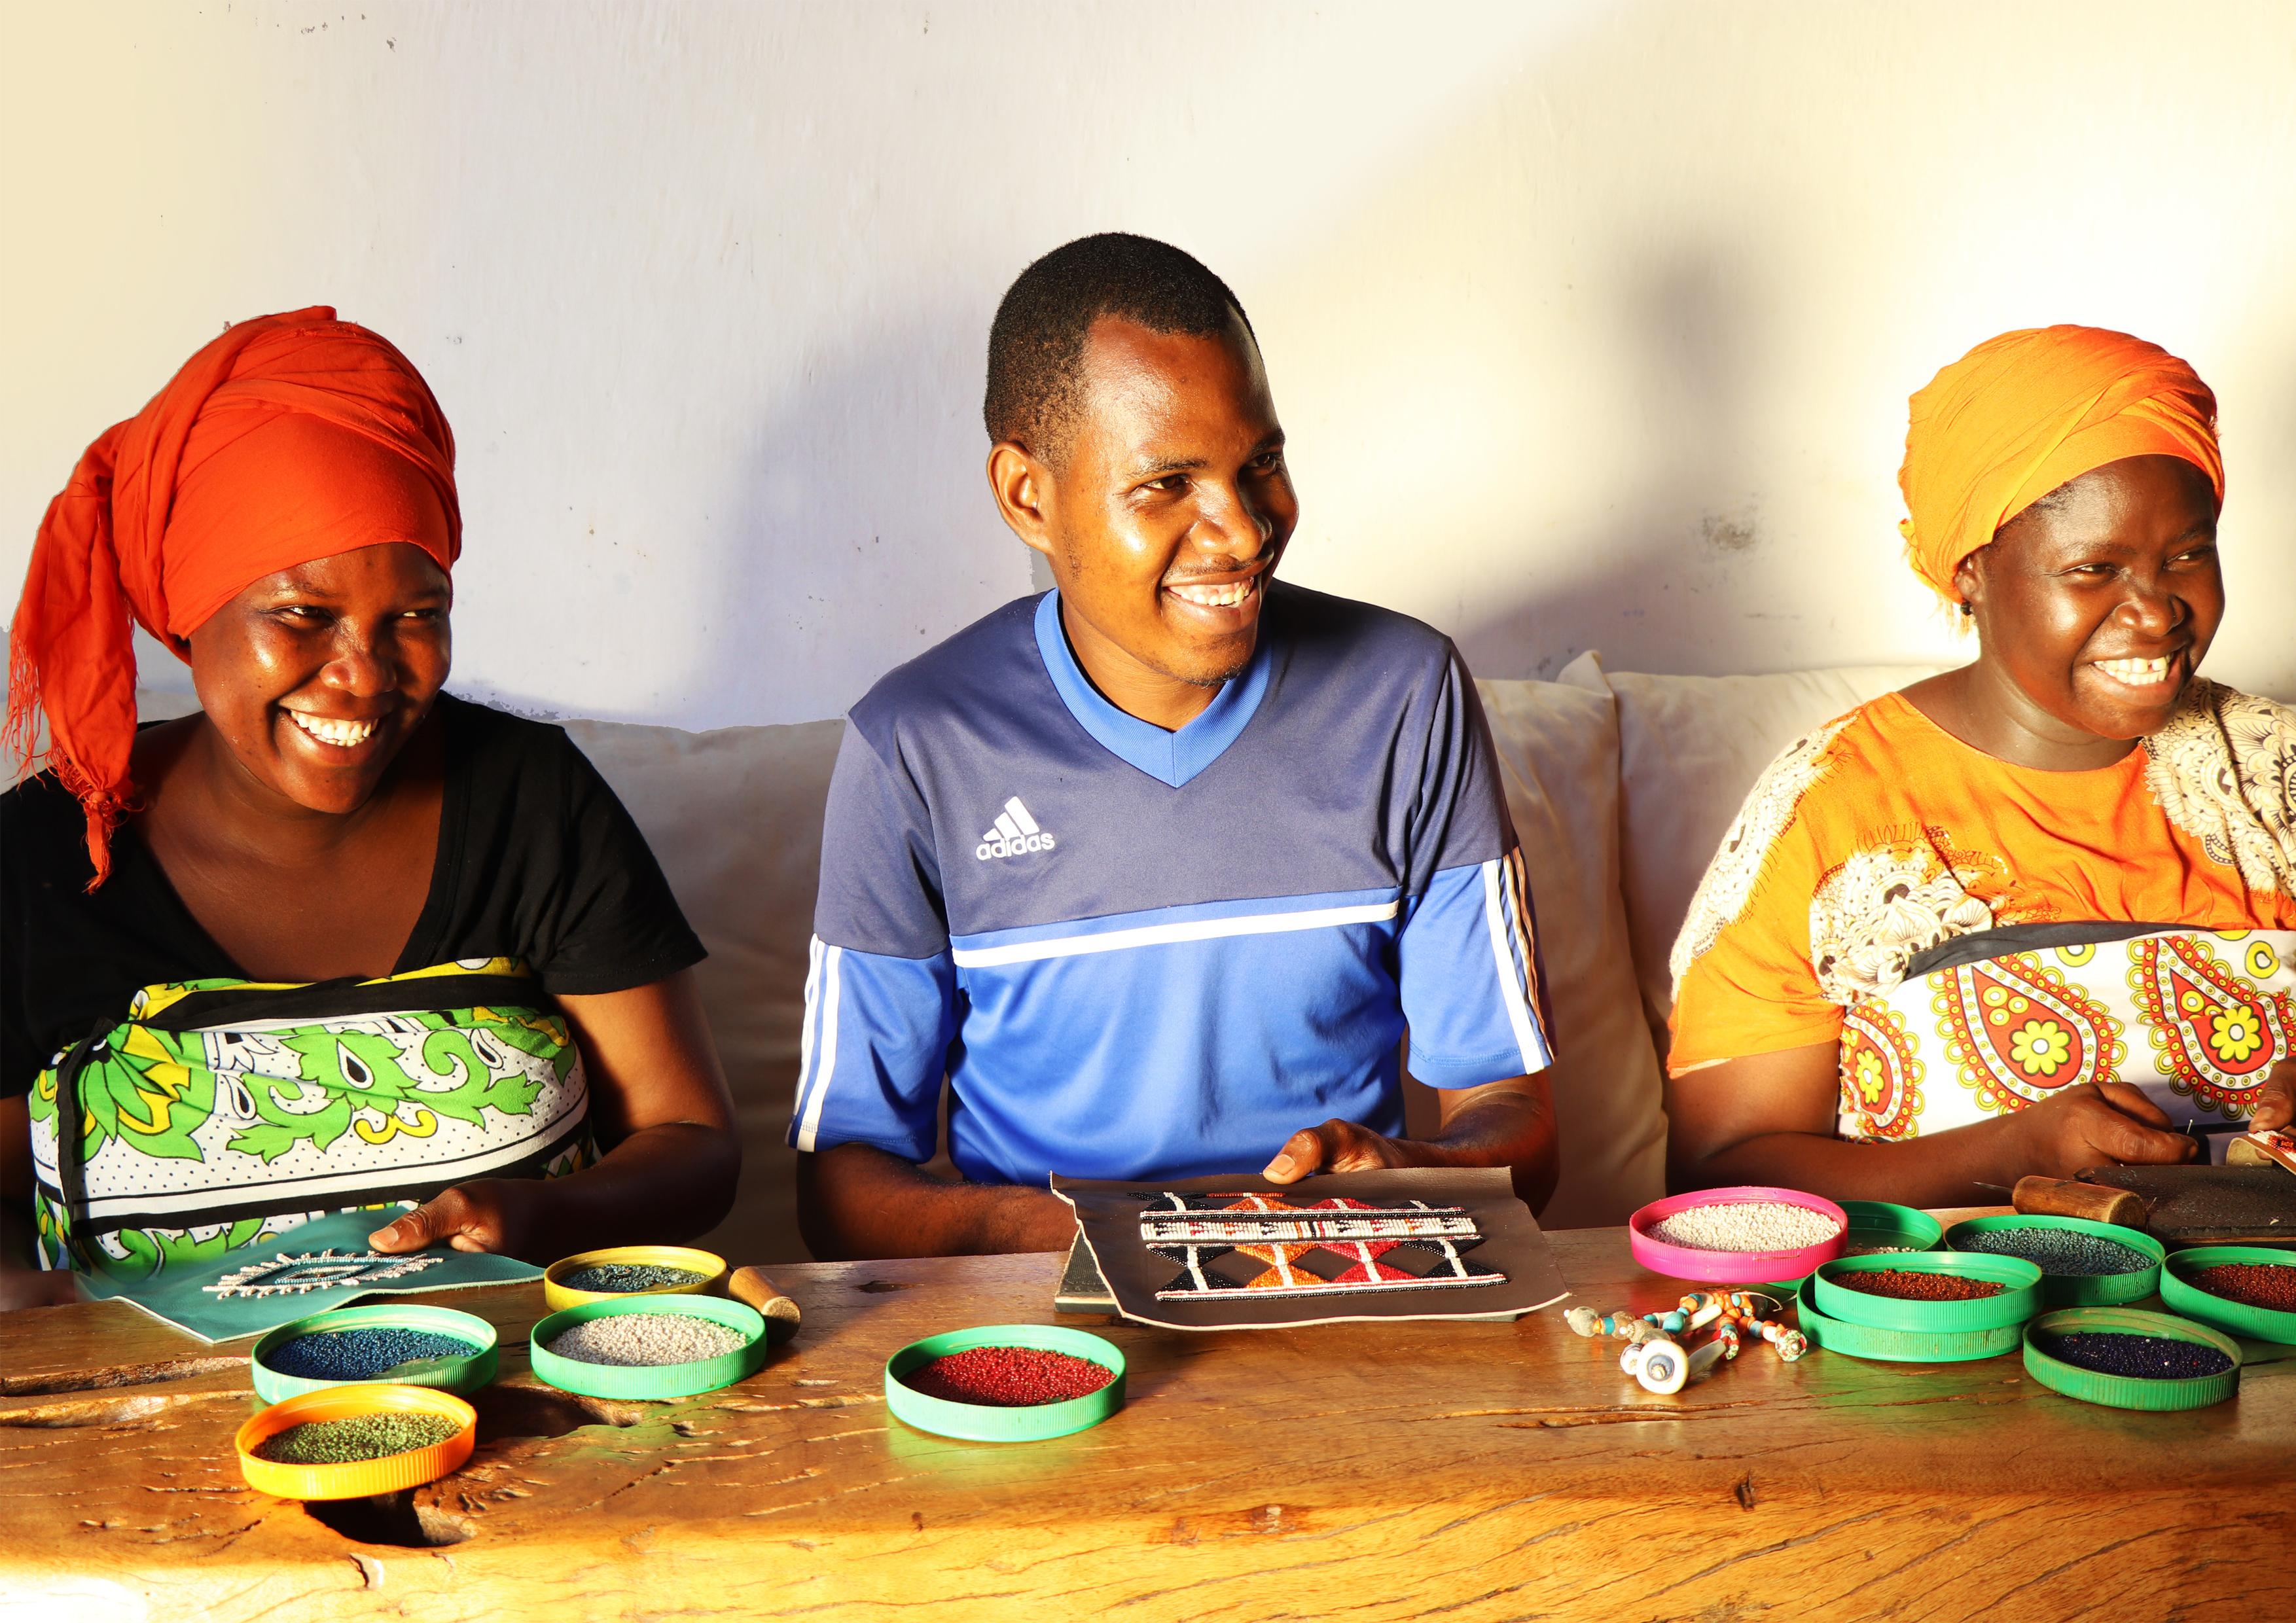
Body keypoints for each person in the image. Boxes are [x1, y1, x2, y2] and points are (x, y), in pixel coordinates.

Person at [791, 234, 1558, 1258]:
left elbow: (1516, 1119)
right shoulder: (916, 744)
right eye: (1166, 484)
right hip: (1054, 1325)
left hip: (1337, 1294)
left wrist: (1415, 1179)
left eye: (1262, 464)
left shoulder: (1404, 693)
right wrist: (1074, 1234)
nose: (1242, 533)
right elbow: (841, 1183)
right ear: (1029, 497)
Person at [0, 308, 738, 1309]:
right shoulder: (42, 854)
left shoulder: (530, 800)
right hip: (143, 1429)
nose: (364, 674)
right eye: (303, 616)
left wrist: (542, 1214)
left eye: (415, 617)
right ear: (187, 606)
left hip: (522, 1402)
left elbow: (691, 1143)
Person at [1666, 325, 2296, 1205]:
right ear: (1972, 572)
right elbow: (1719, 1177)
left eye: (2187, 555)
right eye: (2095, 568)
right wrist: (2007, 1154)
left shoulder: (2275, 776)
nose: (2155, 613)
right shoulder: (1834, 812)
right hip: (1953, 1328)